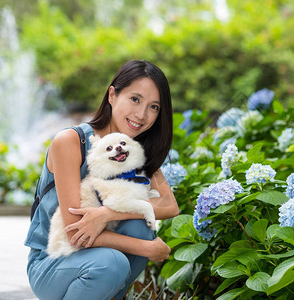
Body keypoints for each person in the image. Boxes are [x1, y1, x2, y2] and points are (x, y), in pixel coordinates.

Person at [25, 59, 179, 300]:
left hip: (98, 258)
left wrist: (108, 214)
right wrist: (147, 248)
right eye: (135, 99)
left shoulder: (136, 151)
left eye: (154, 107)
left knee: (138, 228)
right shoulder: (71, 141)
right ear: (112, 95)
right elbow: (75, 232)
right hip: (53, 260)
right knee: (112, 263)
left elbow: (169, 205)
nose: (141, 115)